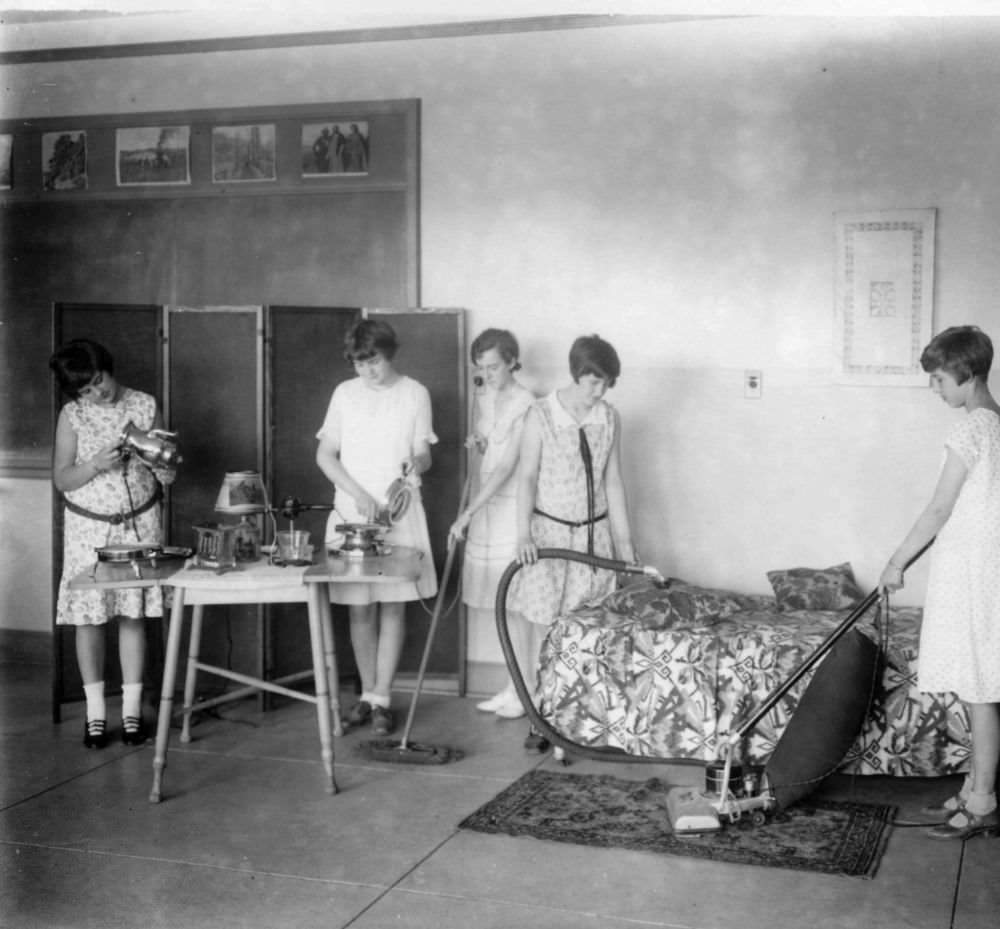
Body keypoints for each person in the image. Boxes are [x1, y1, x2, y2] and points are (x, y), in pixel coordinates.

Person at [878, 325, 1000, 841]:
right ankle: (976, 784)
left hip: (974, 572)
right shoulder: (996, 425)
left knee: (978, 690)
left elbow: (939, 508)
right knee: (980, 684)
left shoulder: (972, 428)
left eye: (939, 378)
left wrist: (896, 561)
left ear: (966, 373)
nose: (935, 389)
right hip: (981, 567)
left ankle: (982, 803)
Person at [509, 334, 637, 751]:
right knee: (548, 629)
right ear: (575, 374)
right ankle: (542, 716)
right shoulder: (541, 415)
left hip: (593, 540)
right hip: (549, 539)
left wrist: (625, 544)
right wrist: (523, 533)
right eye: (592, 383)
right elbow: (526, 476)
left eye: (605, 385)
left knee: (587, 631)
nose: (598, 392)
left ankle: (581, 719)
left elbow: (613, 481)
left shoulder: (609, 418)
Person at [50, 339, 176, 749]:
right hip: (89, 530)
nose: (97, 392)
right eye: (85, 389)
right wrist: (95, 465)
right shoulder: (73, 415)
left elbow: (165, 474)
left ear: (107, 367)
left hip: (139, 525)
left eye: (98, 380)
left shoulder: (143, 404)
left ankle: (133, 712)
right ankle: (95, 715)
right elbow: (62, 479)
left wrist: (162, 464)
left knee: (133, 615)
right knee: (89, 618)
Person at [315, 319, 437, 736]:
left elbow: (424, 453)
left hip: (398, 511)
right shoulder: (344, 394)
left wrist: (415, 464)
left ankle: (383, 697)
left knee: (393, 604)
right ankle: (367, 695)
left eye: (374, 361)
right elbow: (326, 456)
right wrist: (357, 493)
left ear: (390, 353)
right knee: (359, 607)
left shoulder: (415, 393)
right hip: (353, 514)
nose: (367, 371)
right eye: (359, 363)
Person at [449, 329, 535, 719]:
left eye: (495, 366)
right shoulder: (484, 399)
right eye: (481, 368)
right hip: (485, 507)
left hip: (510, 510)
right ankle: (513, 685)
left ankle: (527, 690)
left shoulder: (526, 403)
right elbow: (488, 457)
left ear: (513, 361)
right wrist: (478, 445)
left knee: (516, 605)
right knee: (500, 605)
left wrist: (467, 513)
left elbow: (505, 469)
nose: (488, 374)